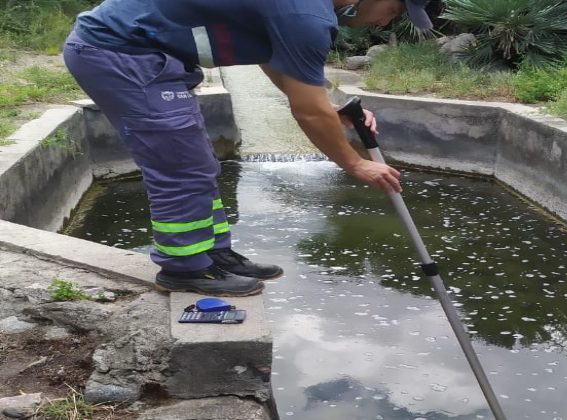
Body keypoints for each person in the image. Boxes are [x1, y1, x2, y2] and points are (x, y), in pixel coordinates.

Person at [63, 0, 433, 297]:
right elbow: (306, 110)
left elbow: (277, 62)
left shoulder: (306, 11)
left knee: (200, 164)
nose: (387, 22)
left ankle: (214, 254)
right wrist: (355, 164)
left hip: (144, 56)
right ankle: (184, 270)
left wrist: (334, 106)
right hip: (118, 53)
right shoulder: (307, 13)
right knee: (180, 166)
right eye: (396, 9)